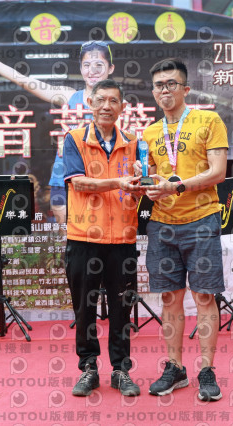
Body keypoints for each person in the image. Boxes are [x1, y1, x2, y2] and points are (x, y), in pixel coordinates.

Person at [141, 58, 228, 401]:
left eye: (171, 84)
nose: (164, 90)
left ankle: (206, 370)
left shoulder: (209, 120)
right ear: (153, 92)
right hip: (162, 224)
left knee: (204, 296)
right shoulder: (150, 133)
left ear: (185, 88)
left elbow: (218, 172)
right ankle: (175, 368)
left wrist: (177, 186)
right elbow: (150, 177)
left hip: (202, 219)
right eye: (159, 85)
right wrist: (148, 188)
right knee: (169, 297)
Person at [0, 36, 115, 223]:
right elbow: (23, 80)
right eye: (87, 65)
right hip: (64, 181)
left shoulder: (120, 106)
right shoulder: (69, 96)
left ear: (110, 69)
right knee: (68, 237)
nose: (92, 71)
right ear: (81, 68)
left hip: (102, 181)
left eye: (99, 65)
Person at [62, 79, 143, 397]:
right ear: (90, 104)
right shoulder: (74, 139)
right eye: (101, 100)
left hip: (122, 238)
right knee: (85, 308)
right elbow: (78, 183)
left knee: (122, 309)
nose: (107, 106)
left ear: (122, 107)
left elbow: (138, 184)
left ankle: (121, 370)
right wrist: (119, 182)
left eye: (113, 101)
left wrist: (140, 186)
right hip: (84, 237)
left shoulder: (133, 142)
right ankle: (88, 368)